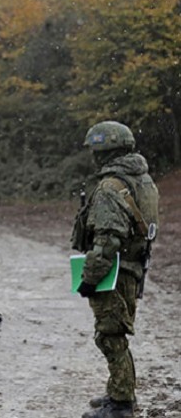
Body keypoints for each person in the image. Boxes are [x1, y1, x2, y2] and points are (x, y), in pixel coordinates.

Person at [71, 120, 159, 418]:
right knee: (113, 332)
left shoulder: (111, 187)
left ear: (103, 151)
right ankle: (117, 392)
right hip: (131, 265)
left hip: (115, 271)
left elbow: (107, 240)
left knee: (110, 335)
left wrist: (90, 278)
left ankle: (121, 403)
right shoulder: (142, 179)